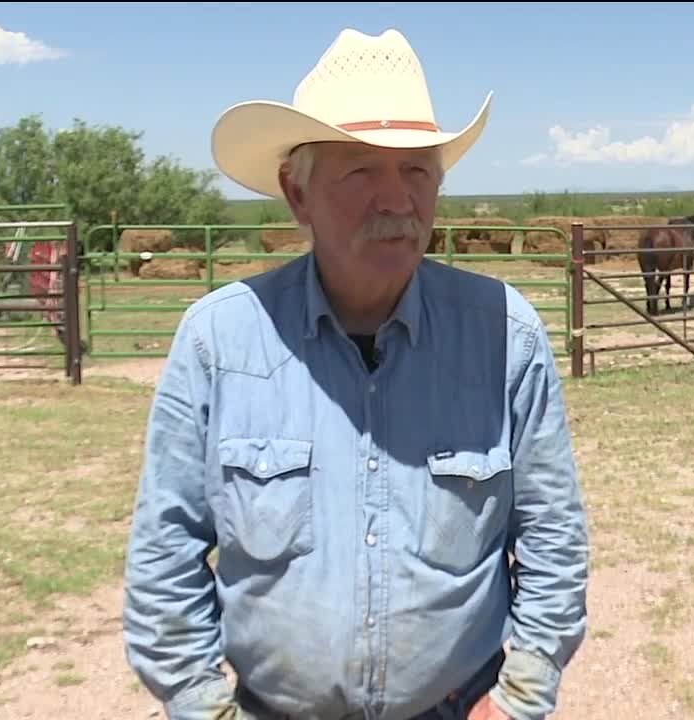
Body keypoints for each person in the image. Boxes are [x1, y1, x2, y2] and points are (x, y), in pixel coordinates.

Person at [120, 27, 589, 720]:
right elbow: (165, 557)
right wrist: (203, 706)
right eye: (363, 171)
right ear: (296, 193)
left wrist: (519, 696)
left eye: (417, 170)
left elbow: (553, 539)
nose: (398, 201)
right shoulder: (221, 341)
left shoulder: (503, 334)